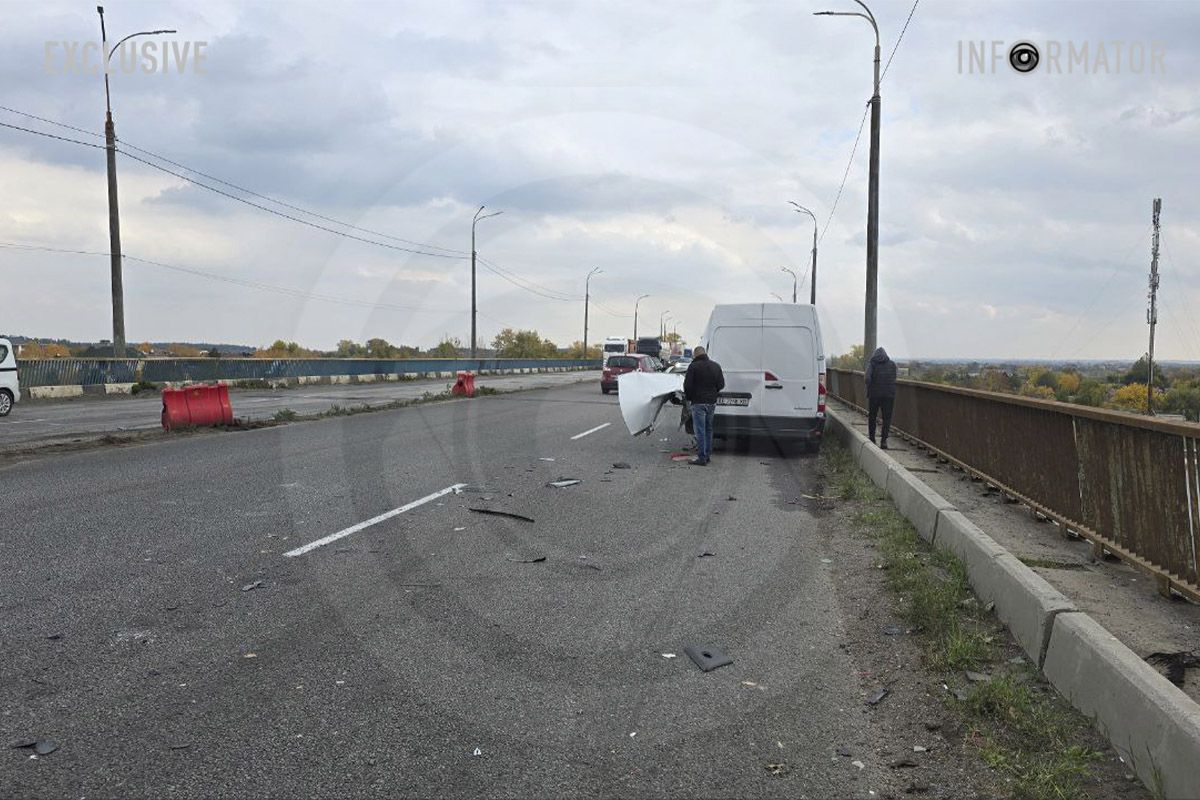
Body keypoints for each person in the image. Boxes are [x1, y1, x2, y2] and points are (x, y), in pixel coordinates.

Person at [683, 345, 724, 466]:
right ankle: (707, 455)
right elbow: (721, 384)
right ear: (705, 353)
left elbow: (687, 386)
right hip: (711, 402)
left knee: (700, 430)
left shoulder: (693, 367)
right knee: (708, 429)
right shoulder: (716, 366)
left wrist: (690, 398)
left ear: (695, 355)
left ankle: (701, 458)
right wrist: (713, 393)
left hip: (698, 402)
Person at [864, 346, 897, 448]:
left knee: (872, 417)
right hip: (888, 395)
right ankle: (883, 441)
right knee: (886, 418)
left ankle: (872, 438)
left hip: (874, 395)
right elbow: (894, 377)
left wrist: (871, 388)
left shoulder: (872, 364)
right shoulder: (892, 364)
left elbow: (867, 378)